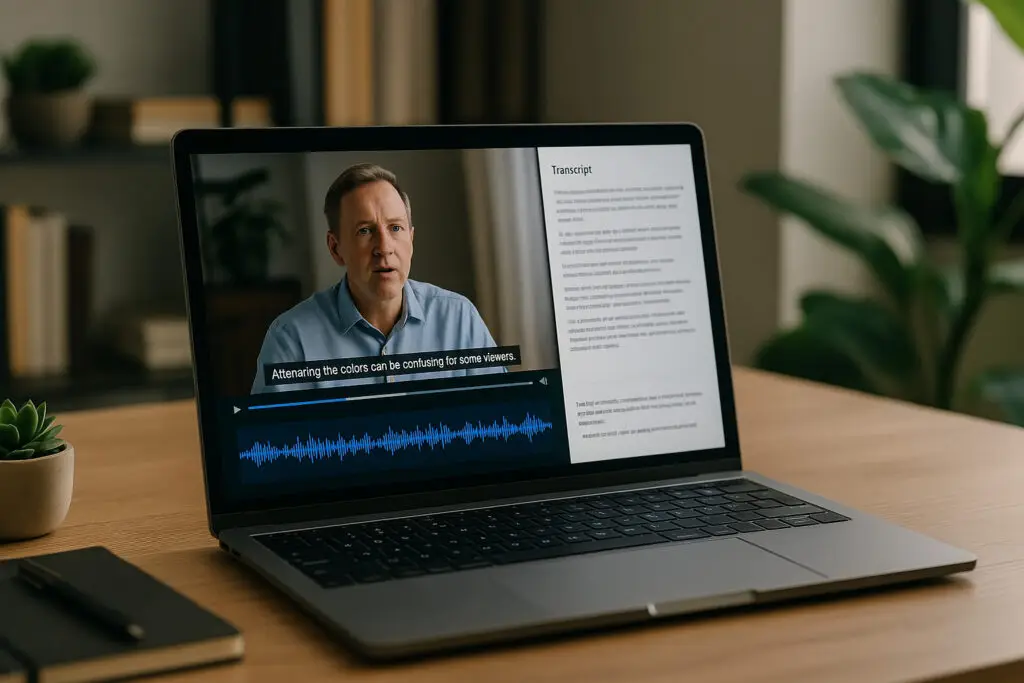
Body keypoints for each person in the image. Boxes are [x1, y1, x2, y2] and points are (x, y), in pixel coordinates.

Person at [251, 162, 502, 393]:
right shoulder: (291, 339)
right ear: (336, 248)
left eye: (395, 228)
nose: (384, 247)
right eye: (365, 231)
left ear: (411, 240)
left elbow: (501, 415)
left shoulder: (459, 318)